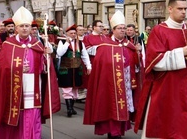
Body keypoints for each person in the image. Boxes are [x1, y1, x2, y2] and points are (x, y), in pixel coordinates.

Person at [134, 0, 187, 138]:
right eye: (180, 8)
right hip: (167, 88)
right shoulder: (159, 30)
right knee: (169, 126)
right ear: (170, 9)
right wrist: (181, 52)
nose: (184, 12)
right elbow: (154, 62)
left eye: (185, 9)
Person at [0, 6, 61, 138]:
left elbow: (44, 70)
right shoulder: (8, 45)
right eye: (21, 26)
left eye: (27, 26)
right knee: (13, 119)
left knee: (32, 117)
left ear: (31, 27)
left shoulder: (38, 45)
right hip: (13, 89)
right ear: (16, 28)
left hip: (33, 88)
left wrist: (47, 59)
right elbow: (1, 68)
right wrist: (18, 69)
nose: (24, 28)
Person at [83, 11, 139, 139]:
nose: (123, 30)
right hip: (109, 82)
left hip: (125, 82)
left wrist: (138, 54)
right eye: (120, 28)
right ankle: (112, 132)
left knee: (123, 106)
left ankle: (119, 130)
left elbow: (135, 63)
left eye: (124, 28)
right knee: (110, 107)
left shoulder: (129, 45)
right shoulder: (104, 46)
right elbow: (101, 65)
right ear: (113, 30)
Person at [56, 24, 92, 117]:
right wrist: (67, 43)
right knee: (67, 88)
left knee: (75, 88)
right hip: (66, 68)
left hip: (77, 68)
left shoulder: (80, 43)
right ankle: (69, 109)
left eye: (74, 33)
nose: (73, 35)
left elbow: (84, 55)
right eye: (71, 33)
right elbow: (59, 53)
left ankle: (72, 107)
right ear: (67, 34)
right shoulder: (62, 42)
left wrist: (88, 66)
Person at [80, 20, 107, 100]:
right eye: (100, 26)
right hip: (93, 62)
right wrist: (100, 48)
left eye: (102, 26)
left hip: (103, 63)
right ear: (94, 27)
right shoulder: (88, 37)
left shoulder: (105, 37)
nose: (102, 28)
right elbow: (86, 50)